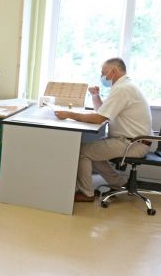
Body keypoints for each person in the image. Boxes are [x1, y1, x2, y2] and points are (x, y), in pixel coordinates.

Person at [53, 58, 152, 202]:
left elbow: (99, 118)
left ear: (113, 71)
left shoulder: (123, 89)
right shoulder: (124, 86)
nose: (102, 76)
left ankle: (87, 194)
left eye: (103, 73)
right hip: (133, 141)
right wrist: (95, 95)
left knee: (83, 152)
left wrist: (69, 114)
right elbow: (103, 112)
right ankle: (119, 183)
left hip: (132, 144)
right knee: (93, 152)